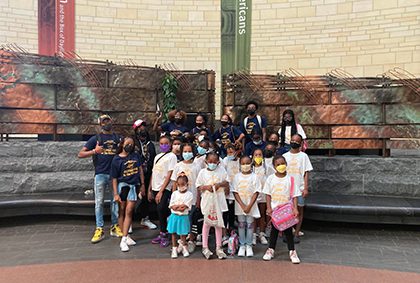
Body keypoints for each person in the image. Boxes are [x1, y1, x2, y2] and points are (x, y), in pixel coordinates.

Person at [78, 114, 122, 243]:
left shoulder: (118, 137)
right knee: (99, 202)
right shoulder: (95, 138)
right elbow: (80, 154)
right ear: (100, 124)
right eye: (104, 121)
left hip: (115, 175)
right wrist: (94, 151)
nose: (106, 123)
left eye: (108, 120)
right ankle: (99, 228)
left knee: (115, 201)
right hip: (100, 174)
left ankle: (115, 226)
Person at [262, 155, 301, 264]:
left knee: (288, 231)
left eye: (282, 163)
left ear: (286, 164)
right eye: (278, 164)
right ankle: (271, 249)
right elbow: (268, 194)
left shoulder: (291, 179)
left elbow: (294, 195)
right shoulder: (270, 179)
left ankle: (292, 251)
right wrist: (269, 207)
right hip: (275, 211)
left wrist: (295, 208)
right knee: (274, 231)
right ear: (274, 167)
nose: (281, 166)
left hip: (287, 211)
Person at [111, 136, 144, 252]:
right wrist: (115, 193)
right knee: (122, 211)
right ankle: (125, 234)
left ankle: (124, 239)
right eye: (127, 143)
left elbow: (140, 171)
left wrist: (142, 185)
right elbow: (114, 178)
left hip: (133, 186)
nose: (129, 145)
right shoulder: (116, 159)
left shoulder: (136, 156)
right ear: (122, 144)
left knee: (129, 211)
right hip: (122, 186)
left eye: (132, 143)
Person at [196, 152, 229, 260]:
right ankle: (205, 247)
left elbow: (227, 182)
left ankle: (218, 247)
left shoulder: (222, 170)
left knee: (218, 224)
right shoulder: (202, 172)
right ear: (206, 162)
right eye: (210, 162)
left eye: (215, 162)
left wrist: (220, 184)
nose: (212, 164)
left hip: (219, 200)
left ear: (218, 162)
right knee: (207, 223)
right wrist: (206, 187)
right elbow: (199, 186)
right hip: (207, 201)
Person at [171, 143, 201, 253]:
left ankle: (191, 240)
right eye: (185, 151)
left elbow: (198, 185)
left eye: (189, 151)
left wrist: (198, 199)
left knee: (191, 220)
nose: (187, 154)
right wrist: (174, 196)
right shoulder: (178, 166)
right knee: (181, 220)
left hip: (191, 199)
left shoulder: (197, 166)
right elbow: (174, 182)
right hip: (179, 200)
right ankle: (181, 242)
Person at [149, 135, 178, 247]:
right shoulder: (157, 157)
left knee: (162, 208)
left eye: (166, 143)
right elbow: (154, 172)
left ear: (170, 144)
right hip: (155, 187)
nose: (163, 145)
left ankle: (166, 233)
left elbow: (170, 173)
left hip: (165, 187)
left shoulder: (172, 157)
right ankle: (162, 232)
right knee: (159, 210)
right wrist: (149, 189)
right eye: (161, 143)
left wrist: (161, 190)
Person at [283, 134, 313, 241]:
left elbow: (306, 173)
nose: (294, 142)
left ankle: (296, 233)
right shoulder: (285, 156)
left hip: (299, 188)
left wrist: (305, 188)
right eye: (292, 140)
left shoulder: (303, 156)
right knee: (288, 211)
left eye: (296, 141)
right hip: (287, 189)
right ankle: (288, 232)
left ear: (300, 143)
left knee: (299, 211)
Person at [232, 155, 261, 257]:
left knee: (249, 225)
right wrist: (242, 205)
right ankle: (242, 245)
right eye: (243, 164)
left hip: (251, 206)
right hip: (240, 205)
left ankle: (249, 245)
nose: (245, 165)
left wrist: (249, 206)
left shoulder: (255, 176)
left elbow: (256, 192)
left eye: (247, 163)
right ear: (240, 165)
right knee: (241, 224)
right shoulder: (237, 177)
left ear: (251, 163)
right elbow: (235, 192)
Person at [132, 119, 157, 230]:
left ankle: (145, 218)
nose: (143, 129)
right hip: (134, 175)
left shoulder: (149, 143)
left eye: (144, 127)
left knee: (146, 197)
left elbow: (153, 159)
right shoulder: (133, 143)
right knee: (132, 198)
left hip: (147, 174)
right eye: (140, 127)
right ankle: (129, 222)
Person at [167, 174, 194, 258]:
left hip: (183, 217)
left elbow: (184, 207)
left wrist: (177, 207)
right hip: (174, 216)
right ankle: (174, 248)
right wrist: (178, 207)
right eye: (178, 185)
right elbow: (172, 205)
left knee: (183, 233)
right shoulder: (174, 193)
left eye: (183, 184)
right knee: (173, 233)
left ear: (187, 184)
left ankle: (184, 247)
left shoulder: (190, 194)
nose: (180, 186)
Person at [252, 148, 273, 246]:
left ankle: (261, 233)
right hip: (253, 195)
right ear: (252, 156)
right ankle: (253, 234)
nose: (258, 157)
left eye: (260, 155)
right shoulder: (251, 168)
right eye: (256, 155)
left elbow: (271, 179)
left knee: (262, 214)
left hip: (263, 194)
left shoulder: (267, 167)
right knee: (254, 216)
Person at [221, 144, 239, 244]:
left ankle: (233, 232)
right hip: (227, 191)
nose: (230, 154)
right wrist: (226, 186)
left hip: (238, 191)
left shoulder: (240, 162)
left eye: (231, 152)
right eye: (228, 152)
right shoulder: (225, 161)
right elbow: (223, 175)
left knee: (233, 213)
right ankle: (224, 234)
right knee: (226, 213)